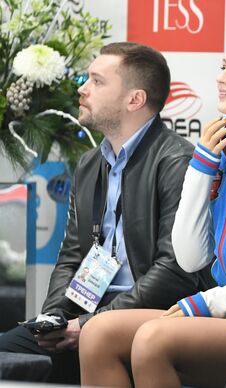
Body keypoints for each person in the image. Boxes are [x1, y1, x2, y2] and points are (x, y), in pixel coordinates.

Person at [78, 29, 226, 388]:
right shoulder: (224, 149)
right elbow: (191, 258)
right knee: (98, 332)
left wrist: (211, 302)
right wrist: (201, 166)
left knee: (152, 339)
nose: (222, 78)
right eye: (224, 66)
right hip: (224, 314)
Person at [0, 42, 213, 384]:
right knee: (6, 353)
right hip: (87, 313)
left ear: (135, 100)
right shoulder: (89, 163)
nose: (82, 88)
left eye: (97, 82)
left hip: (151, 318)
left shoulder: (177, 161)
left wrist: (89, 325)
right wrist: (55, 319)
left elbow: (176, 271)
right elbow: (72, 255)